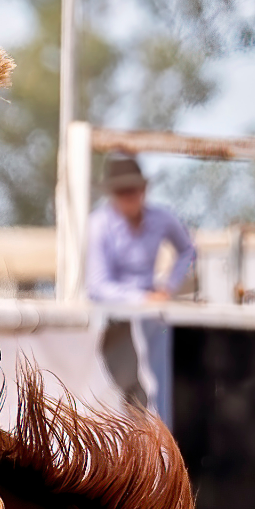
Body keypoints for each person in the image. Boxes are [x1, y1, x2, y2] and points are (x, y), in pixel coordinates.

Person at [85, 155, 196, 421]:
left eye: (132, 189)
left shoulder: (162, 218)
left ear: (143, 190)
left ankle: (156, 446)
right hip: (115, 319)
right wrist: (143, 298)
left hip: (152, 317)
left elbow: (188, 251)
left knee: (159, 385)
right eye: (122, 191)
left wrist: (168, 287)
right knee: (124, 391)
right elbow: (97, 285)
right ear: (112, 194)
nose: (128, 196)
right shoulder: (99, 225)